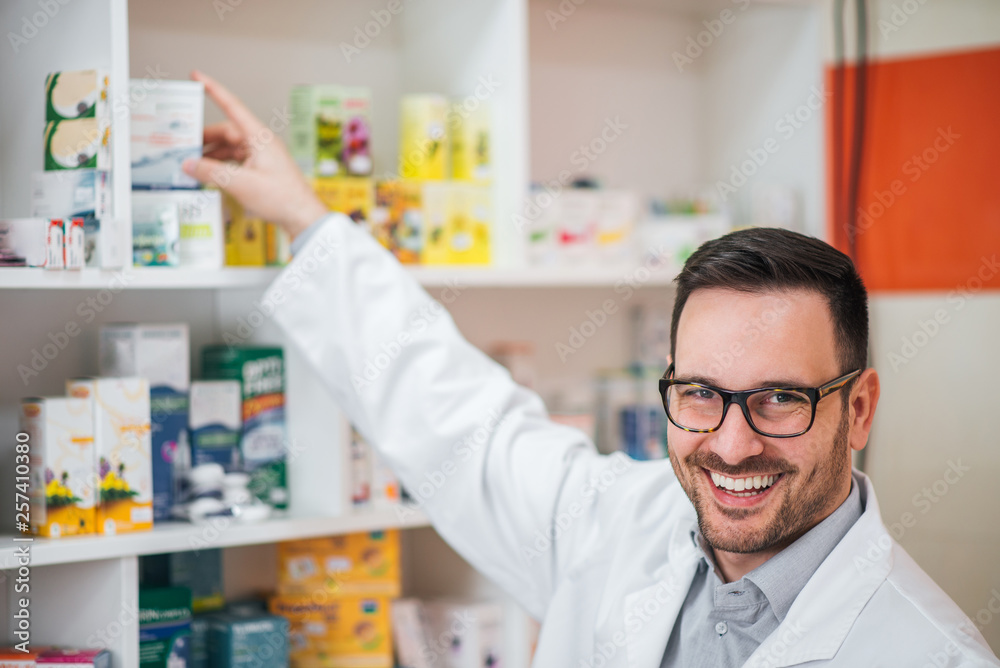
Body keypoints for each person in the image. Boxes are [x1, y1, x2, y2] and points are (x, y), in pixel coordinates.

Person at [182, 71, 1000, 667]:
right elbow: (455, 416)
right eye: (701, 394)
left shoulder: (929, 653)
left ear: (859, 409)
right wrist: (304, 219)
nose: (731, 443)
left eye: (781, 399)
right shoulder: (614, 526)